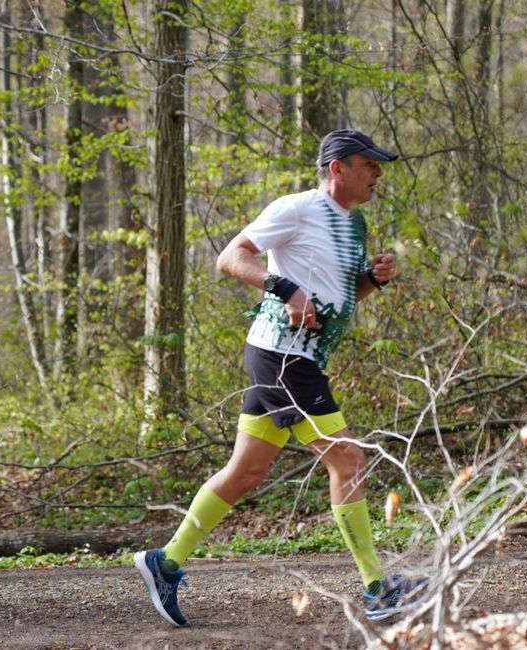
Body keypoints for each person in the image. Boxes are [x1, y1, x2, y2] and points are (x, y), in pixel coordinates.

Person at [134, 129, 427, 625]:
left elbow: (336, 304)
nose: (378, 173)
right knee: (349, 460)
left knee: (246, 471)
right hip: (282, 357)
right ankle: (378, 589)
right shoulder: (295, 208)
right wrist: (284, 288)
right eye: (368, 164)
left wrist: (371, 280)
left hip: (297, 358)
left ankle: (164, 563)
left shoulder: (353, 225)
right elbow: (231, 258)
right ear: (337, 168)